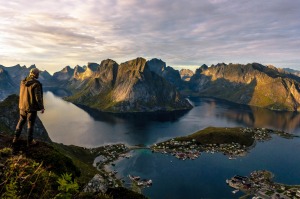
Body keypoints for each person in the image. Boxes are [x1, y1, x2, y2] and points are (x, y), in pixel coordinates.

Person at [13, 68, 45, 146]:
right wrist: (41, 107)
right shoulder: (36, 84)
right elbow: (38, 97)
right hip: (31, 108)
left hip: (22, 107)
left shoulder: (23, 82)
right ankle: (29, 141)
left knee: (21, 122)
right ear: (36, 74)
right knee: (30, 124)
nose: (39, 75)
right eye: (38, 73)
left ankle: (15, 138)